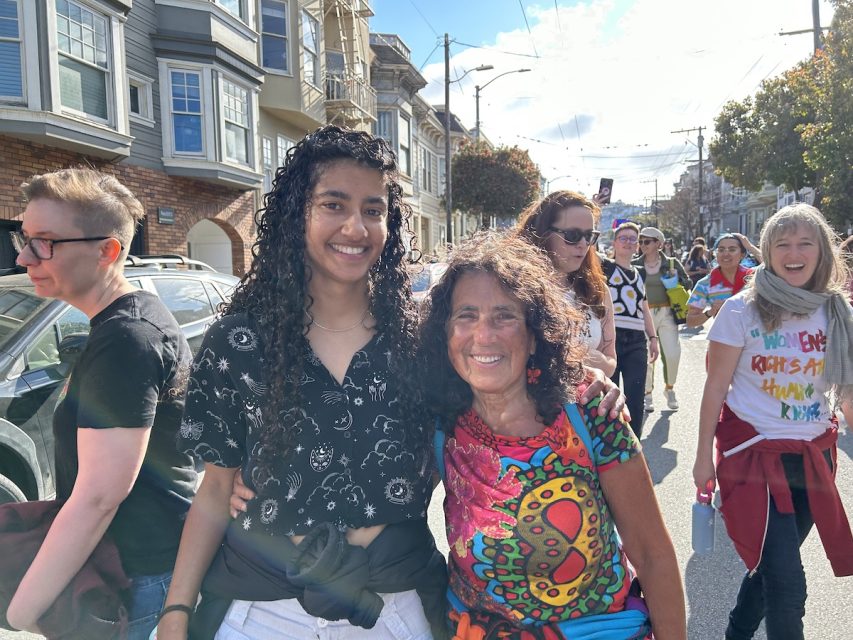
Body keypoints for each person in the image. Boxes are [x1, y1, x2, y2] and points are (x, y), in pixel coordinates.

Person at [158, 126, 626, 640]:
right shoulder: (239, 342)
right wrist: (176, 612)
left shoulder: (423, 338)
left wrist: (584, 383)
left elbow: (507, 383)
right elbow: (214, 491)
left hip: (393, 608)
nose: (356, 227)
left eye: (373, 210)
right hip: (260, 610)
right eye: (334, 205)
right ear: (298, 213)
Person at [418, 232, 686, 640]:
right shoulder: (441, 424)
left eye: (504, 316)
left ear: (533, 333)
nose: (483, 335)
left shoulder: (592, 413)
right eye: (466, 315)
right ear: (445, 331)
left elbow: (652, 554)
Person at [6, 168, 196, 640]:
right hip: (130, 571)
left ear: (107, 251)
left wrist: (22, 611)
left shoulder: (128, 339)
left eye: (45, 242)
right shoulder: (116, 326)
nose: (26, 257)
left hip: (137, 581)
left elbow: (97, 497)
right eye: (24, 238)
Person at [692, 203, 853, 640]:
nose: (794, 252)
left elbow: (847, 393)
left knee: (771, 568)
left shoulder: (838, 311)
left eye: (805, 243)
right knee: (788, 583)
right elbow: (714, 391)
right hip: (752, 461)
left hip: (813, 459)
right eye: (783, 244)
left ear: (822, 251)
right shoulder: (740, 311)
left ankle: (736, 632)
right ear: (767, 251)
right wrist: (702, 458)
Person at [516, 190, 617, 377]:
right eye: (572, 235)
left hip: (589, 403)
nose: (583, 244)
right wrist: (581, 355)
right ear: (543, 233)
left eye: (590, 236)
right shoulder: (518, 289)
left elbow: (610, 363)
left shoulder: (597, 290)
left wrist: (578, 356)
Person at [603, 222, 660, 438]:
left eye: (633, 239)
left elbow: (644, 307)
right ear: (615, 242)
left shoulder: (641, 273)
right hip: (611, 337)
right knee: (610, 393)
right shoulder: (605, 267)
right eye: (623, 238)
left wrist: (653, 337)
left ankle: (634, 444)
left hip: (637, 340)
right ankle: (611, 443)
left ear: (637, 246)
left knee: (636, 396)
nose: (628, 242)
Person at [633, 227, 691, 412]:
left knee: (672, 353)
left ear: (658, 243)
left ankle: (670, 388)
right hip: (643, 314)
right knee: (647, 356)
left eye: (647, 241)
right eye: (640, 241)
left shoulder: (672, 264)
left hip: (667, 313)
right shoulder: (634, 264)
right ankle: (647, 393)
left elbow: (688, 284)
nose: (643, 245)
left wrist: (677, 281)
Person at [686, 233, 756, 329]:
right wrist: (710, 312)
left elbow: (772, 267)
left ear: (742, 254)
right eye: (721, 250)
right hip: (725, 340)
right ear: (715, 254)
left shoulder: (754, 277)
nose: (726, 254)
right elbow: (690, 321)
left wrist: (750, 247)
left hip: (756, 340)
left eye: (732, 249)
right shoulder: (705, 284)